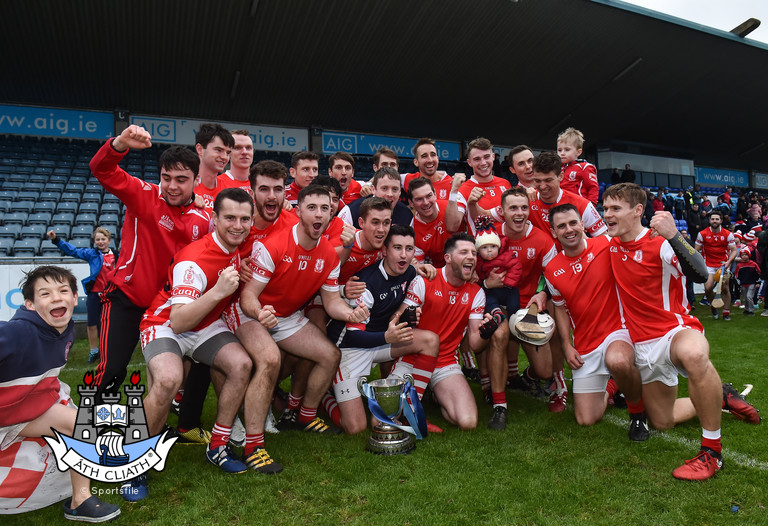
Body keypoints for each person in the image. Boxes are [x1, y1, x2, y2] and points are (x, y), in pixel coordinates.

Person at [602, 183, 760, 481]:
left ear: (637, 211)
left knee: (694, 352)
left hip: (673, 332)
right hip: (640, 344)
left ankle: (712, 452)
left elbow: (701, 274)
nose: (607, 214)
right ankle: (722, 396)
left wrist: (674, 234)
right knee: (663, 420)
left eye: (615, 208)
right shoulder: (607, 244)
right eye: (605, 208)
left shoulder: (660, 242)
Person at [130, 189, 260, 501]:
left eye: (244, 219)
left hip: (203, 324)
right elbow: (178, 321)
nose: (238, 225)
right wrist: (218, 292)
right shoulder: (193, 260)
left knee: (242, 365)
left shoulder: (241, 245)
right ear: (214, 219)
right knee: (167, 380)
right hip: (166, 324)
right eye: (229, 217)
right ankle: (136, 465)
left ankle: (218, 445)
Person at [89, 125, 212, 401]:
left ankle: (177, 419)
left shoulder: (205, 218)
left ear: (196, 180)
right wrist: (120, 143)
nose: (171, 186)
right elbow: (101, 170)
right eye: (166, 177)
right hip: (127, 300)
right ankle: (89, 425)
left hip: (166, 308)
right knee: (112, 369)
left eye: (181, 179)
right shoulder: (145, 194)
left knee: (185, 366)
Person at [239, 185, 369, 434]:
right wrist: (259, 313)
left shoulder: (329, 255)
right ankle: (247, 427)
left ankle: (305, 416)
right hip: (253, 314)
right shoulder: (273, 246)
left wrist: (350, 314)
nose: (319, 214)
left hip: (286, 317)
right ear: (298, 211)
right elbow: (248, 296)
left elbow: (331, 302)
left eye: (325, 208)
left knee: (330, 355)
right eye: (312, 208)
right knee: (269, 361)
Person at [0, 266, 120, 521]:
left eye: (63, 290)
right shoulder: (18, 332)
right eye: (45, 293)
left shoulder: (63, 331)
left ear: (75, 298)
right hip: (6, 415)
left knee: (81, 425)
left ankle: (80, 500)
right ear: (30, 305)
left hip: (20, 413)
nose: (56, 297)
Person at [326, 225, 440, 434]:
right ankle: (326, 397)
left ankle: (408, 409)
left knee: (430, 340)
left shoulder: (410, 271)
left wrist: (405, 316)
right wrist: (387, 336)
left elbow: (401, 300)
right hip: (350, 348)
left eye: (409, 249)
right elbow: (353, 335)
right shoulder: (367, 284)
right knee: (355, 427)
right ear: (385, 251)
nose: (404, 255)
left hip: (381, 340)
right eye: (397, 248)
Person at [544, 205, 644, 434]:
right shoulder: (551, 269)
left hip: (618, 331)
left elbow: (639, 243)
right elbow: (559, 308)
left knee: (618, 360)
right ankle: (612, 386)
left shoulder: (607, 245)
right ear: (553, 232)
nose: (569, 230)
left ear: (582, 224)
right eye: (561, 226)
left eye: (573, 223)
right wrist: (567, 346)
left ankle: (638, 413)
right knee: (586, 419)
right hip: (585, 343)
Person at [390, 233, 493, 430]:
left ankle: (436, 392)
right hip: (413, 357)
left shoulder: (476, 292)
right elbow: (397, 320)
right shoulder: (424, 280)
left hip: (445, 362)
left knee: (468, 422)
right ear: (448, 257)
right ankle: (420, 396)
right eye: (463, 252)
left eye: (473, 252)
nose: (471, 256)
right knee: (382, 420)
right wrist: (406, 318)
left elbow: (474, 344)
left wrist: (486, 333)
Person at [485, 187, 558, 429]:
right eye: (513, 208)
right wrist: (486, 284)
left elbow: (554, 275)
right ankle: (499, 405)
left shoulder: (542, 239)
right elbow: (471, 270)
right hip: (496, 305)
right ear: (502, 211)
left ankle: (523, 377)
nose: (519, 213)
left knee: (546, 371)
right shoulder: (490, 235)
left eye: (524, 207)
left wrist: (542, 292)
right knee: (499, 334)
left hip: (527, 309)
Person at [46, 226, 117, 363]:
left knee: (109, 325)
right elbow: (72, 251)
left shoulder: (117, 255)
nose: (100, 242)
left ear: (109, 240)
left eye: (103, 239)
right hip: (95, 294)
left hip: (112, 295)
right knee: (91, 324)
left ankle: (108, 351)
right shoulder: (92, 254)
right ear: (94, 241)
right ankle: (94, 351)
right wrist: (56, 240)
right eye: (97, 239)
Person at [528, 151, 606, 250]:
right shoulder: (527, 202)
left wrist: (586, 245)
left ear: (561, 176)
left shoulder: (581, 204)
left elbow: (603, 239)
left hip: (575, 262)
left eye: (548, 180)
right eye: (537, 181)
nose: (542, 186)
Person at [448, 137, 511, 236]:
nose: (483, 163)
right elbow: (452, 226)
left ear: (493, 157)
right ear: (469, 162)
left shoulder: (505, 184)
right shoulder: (463, 189)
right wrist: (454, 191)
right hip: (480, 248)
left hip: (508, 248)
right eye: (477, 159)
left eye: (486, 157)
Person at [409, 176, 463, 267]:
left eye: (429, 196)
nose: (426, 202)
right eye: (419, 199)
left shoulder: (451, 206)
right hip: (441, 271)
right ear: (411, 203)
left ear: (435, 194)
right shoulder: (413, 232)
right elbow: (420, 267)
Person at [474, 216, 521, 318]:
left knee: (514, 306)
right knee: (490, 301)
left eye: (493, 246)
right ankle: (497, 313)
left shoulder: (506, 256)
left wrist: (509, 282)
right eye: (484, 247)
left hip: (509, 290)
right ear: (478, 251)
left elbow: (516, 267)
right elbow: (478, 277)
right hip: (491, 290)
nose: (489, 250)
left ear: (498, 247)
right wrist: (483, 283)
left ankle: (514, 320)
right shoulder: (478, 263)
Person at [695, 210, 738, 320]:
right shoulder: (702, 234)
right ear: (709, 220)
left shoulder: (727, 234)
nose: (714, 221)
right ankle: (714, 306)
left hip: (722, 265)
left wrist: (728, 262)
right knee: (708, 288)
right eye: (713, 219)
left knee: (725, 288)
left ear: (721, 221)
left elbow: (734, 250)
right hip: (708, 264)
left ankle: (726, 312)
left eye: (717, 219)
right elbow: (696, 251)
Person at [338, 167, 413, 228]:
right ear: (373, 189)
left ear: (400, 192)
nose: (390, 194)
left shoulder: (407, 215)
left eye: (395, 189)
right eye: (384, 188)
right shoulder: (351, 211)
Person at [194, 123, 234, 209]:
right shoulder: (184, 187)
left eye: (228, 153)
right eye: (218, 150)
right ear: (200, 149)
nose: (224, 157)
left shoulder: (229, 191)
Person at [556, 127, 599, 204]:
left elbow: (593, 188)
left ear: (578, 152)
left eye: (567, 149)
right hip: (560, 208)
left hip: (578, 208)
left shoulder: (585, 167)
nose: (562, 153)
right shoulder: (557, 168)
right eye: (559, 150)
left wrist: (591, 207)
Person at [217, 129, 255, 197]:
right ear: (228, 152)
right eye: (238, 148)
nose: (244, 152)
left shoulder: (263, 184)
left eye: (248, 148)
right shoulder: (217, 184)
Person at [734, 249, 761, 316]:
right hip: (743, 283)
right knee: (745, 298)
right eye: (742, 255)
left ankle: (751, 310)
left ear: (749, 255)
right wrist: (738, 284)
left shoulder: (753, 264)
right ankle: (746, 309)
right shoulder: (739, 266)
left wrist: (758, 282)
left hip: (752, 283)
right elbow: (736, 276)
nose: (744, 256)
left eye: (746, 255)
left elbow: (758, 273)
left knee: (749, 297)